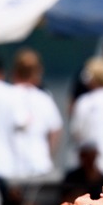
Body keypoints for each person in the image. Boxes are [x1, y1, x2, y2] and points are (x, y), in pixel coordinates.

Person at [9, 48, 63, 179]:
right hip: (39, 164)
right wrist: (47, 155)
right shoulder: (44, 98)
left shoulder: (5, 96)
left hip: (11, 167)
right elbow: (55, 132)